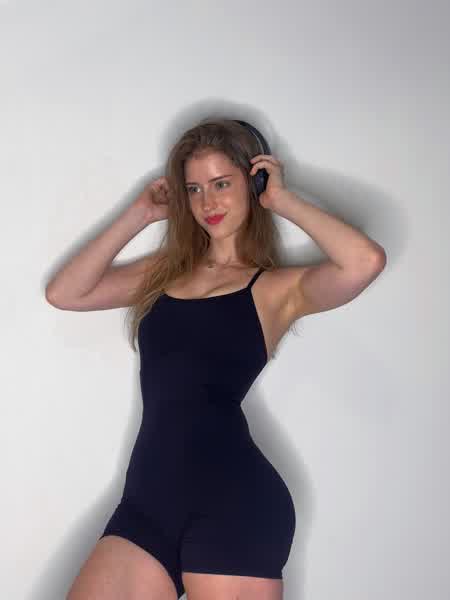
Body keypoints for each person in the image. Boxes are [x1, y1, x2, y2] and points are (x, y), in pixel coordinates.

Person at [46, 118, 386, 599]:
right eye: (195, 189)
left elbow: (365, 261)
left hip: (235, 505)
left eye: (222, 184)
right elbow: (65, 293)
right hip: (147, 503)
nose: (208, 202)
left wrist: (281, 200)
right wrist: (140, 214)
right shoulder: (164, 272)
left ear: (253, 182)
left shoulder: (274, 289)